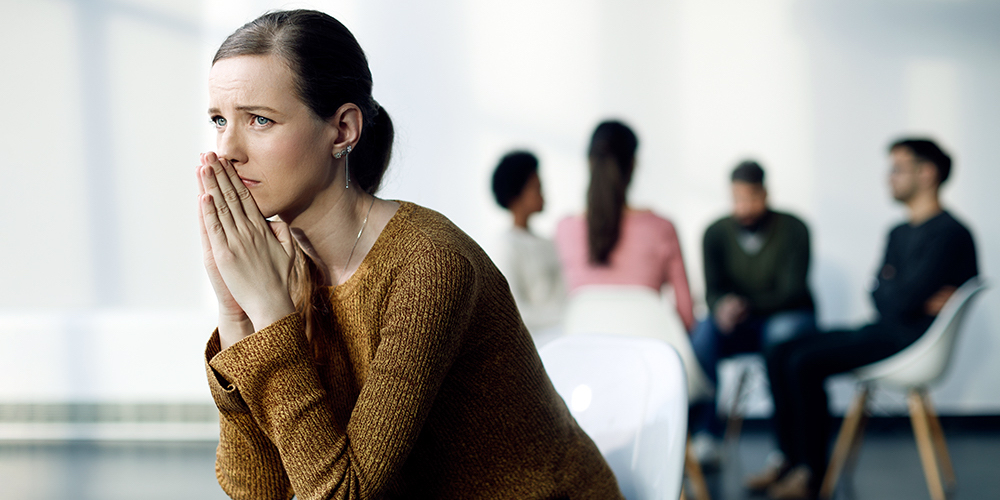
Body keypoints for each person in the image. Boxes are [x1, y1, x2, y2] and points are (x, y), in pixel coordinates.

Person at [197, 10, 621, 499]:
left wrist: (270, 314)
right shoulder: (285, 263)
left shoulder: (429, 265)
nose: (226, 149)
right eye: (218, 120)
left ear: (342, 131)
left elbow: (343, 495)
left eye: (259, 120)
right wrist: (236, 313)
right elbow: (259, 489)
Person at [750, 138, 978, 499]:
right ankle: (788, 461)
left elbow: (897, 299)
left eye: (898, 169)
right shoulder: (898, 231)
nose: (889, 177)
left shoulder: (951, 234)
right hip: (886, 329)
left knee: (802, 361)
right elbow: (881, 295)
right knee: (779, 349)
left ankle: (810, 474)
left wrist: (895, 289)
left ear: (927, 173)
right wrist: (901, 292)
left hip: (912, 342)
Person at [689, 160, 817, 464]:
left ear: (766, 194)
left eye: (751, 198)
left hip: (787, 318)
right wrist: (722, 306)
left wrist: (744, 305)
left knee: (781, 335)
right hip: (740, 326)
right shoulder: (715, 233)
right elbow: (713, 291)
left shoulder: (794, 229)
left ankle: (786, 447)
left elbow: (792, 292)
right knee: (703, 333)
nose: (743, 208)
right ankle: (706, 435)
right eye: (737, 199)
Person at [490, 151, 565, 341]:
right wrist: (566, 317)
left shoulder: (550, 243)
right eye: (536, 187)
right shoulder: (507, 246)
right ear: (516, 194)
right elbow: (515, 310)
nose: (542, 193)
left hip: (564, 334)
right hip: (537, 343)